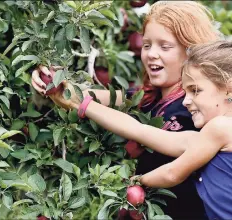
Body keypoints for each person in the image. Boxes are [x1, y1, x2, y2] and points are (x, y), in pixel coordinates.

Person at [46, 40, 232, 220]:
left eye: (195, 90)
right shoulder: (207, 139)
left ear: (229, 90)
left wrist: (137, 181)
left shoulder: (225, 128)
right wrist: (82, 104)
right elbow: (139, 130)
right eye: (185, 92)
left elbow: (174, 174)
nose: (185, 101)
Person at [32, 1, 220, 219]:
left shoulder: (199, 109)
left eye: (165, 46)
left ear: (191, 52)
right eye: (147, 45)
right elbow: (88, 95)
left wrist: (80, 104)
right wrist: (53, 81)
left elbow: (132, 127)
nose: (151, 54)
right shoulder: (147, 98)